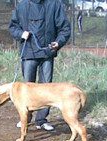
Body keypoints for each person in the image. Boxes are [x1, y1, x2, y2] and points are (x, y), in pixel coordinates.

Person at [9, 0, 71, 131]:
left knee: (46, 87)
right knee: (27, 87)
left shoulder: (55, 5)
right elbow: (13, 27)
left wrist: (58, 43)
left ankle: (42, 120)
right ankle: (25, 117)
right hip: (28, 52)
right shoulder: (22, 5)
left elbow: (65, 28)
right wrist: (21, 34)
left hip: (47, 53)